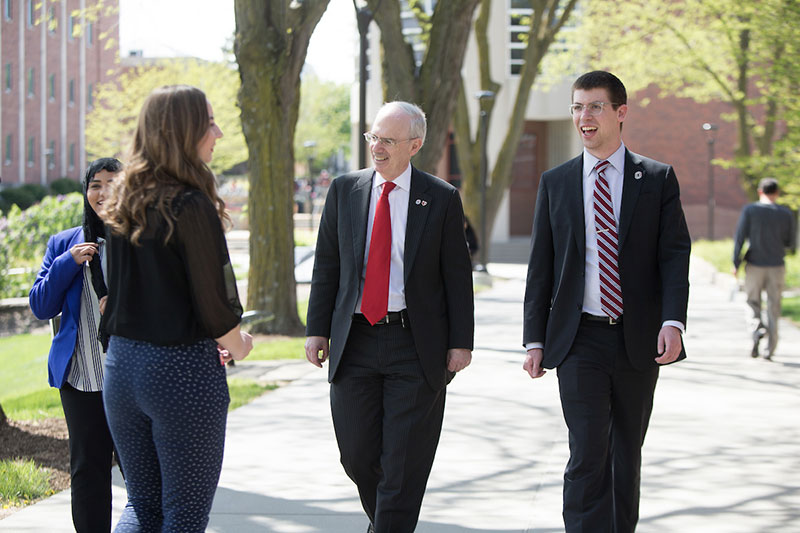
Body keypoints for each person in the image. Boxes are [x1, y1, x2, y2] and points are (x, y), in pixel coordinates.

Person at [522, 71, 691, 533]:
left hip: (638, 340)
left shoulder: (656, 179)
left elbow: (674, 255)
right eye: (577, 107)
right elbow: (542, 267)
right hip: (579, 339)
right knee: (587, 449)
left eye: (594, 106)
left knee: (625, 453)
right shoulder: (555, 182)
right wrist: (534, 339)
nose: (584, 117)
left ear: (620, 113)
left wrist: (673, 322)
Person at [305, 101, 474, 533]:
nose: (377, 147)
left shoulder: (440, 198)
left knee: (402, 465)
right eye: (373, 137)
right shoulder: (345, 189)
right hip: (355, 340)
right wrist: (317, 330)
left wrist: (461, 342)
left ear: (414, 145)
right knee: (358, 456)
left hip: (414, 343)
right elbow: (327, 265)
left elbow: (457, 275)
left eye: (388, 140)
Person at [101, 85, 253, 532]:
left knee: (141, 506)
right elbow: (217, 304)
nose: (218, 132)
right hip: (180, 373)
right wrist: (238, 344)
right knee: (183, 517)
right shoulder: (190, 205)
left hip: (123, 368)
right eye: (208, 122)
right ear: (183, 131)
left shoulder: (121, 203)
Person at [29, 157, 123, 533]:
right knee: (88, 471)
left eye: (112, 182)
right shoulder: (63, 243)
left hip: (129, 376)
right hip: (80, 377)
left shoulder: (139, 240)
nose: (102, 192)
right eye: (95, 184)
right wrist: (67, 263)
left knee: (141, 470)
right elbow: (41, 305)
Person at [732, 177, 796, 360]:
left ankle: (757, 328)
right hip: (777, 265)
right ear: (777, 193)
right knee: (774, 307)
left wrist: (735, 263)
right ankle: (770, 350)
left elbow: (739, 238)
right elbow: (791, 243)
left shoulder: (750, 210)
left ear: (760, 191)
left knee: (752, 302)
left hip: (754, 265)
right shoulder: (786, 213)